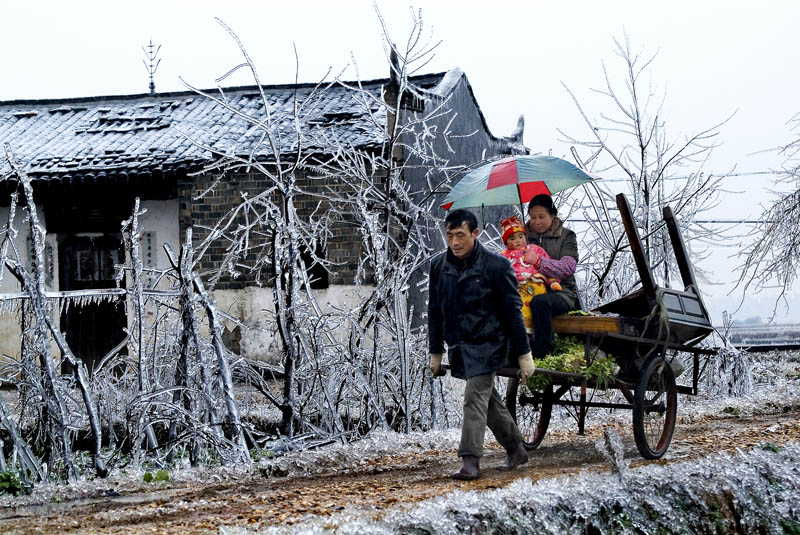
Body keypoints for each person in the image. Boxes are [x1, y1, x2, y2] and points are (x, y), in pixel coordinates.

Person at [428, 209, 535, 481]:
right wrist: (436, 352)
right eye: (450, 235)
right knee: (487, 401)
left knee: (474, 397)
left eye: (461, 235)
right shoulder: (440, 267)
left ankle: (470, 460)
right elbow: (435, 312)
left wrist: (524, 354)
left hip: (491, 343)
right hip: (461, 345)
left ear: (475, 234)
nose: (455, 242)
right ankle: (516, 449)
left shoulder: (496, 266)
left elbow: (513, 311)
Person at [523, 194, 580, 359]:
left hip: (561, 293)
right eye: (533, 217)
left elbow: (568, 267)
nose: (536, 222)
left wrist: (539, 262)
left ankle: (542, 355)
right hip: (529, 289)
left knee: (540, 303)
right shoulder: (523, 237)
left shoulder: (566, 236)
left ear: (552, 215)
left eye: (541, 217)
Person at [499, 216, 562, 332]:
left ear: (525, 236)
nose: (517, 240)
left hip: (534, 285)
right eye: (512, 238)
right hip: (514, 287)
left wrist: (552, 282)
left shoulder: (534, 249)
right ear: (506, 242)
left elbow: (547, 267)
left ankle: (525, 331)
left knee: (528, 303)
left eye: (520, 236)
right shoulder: (503, 256)